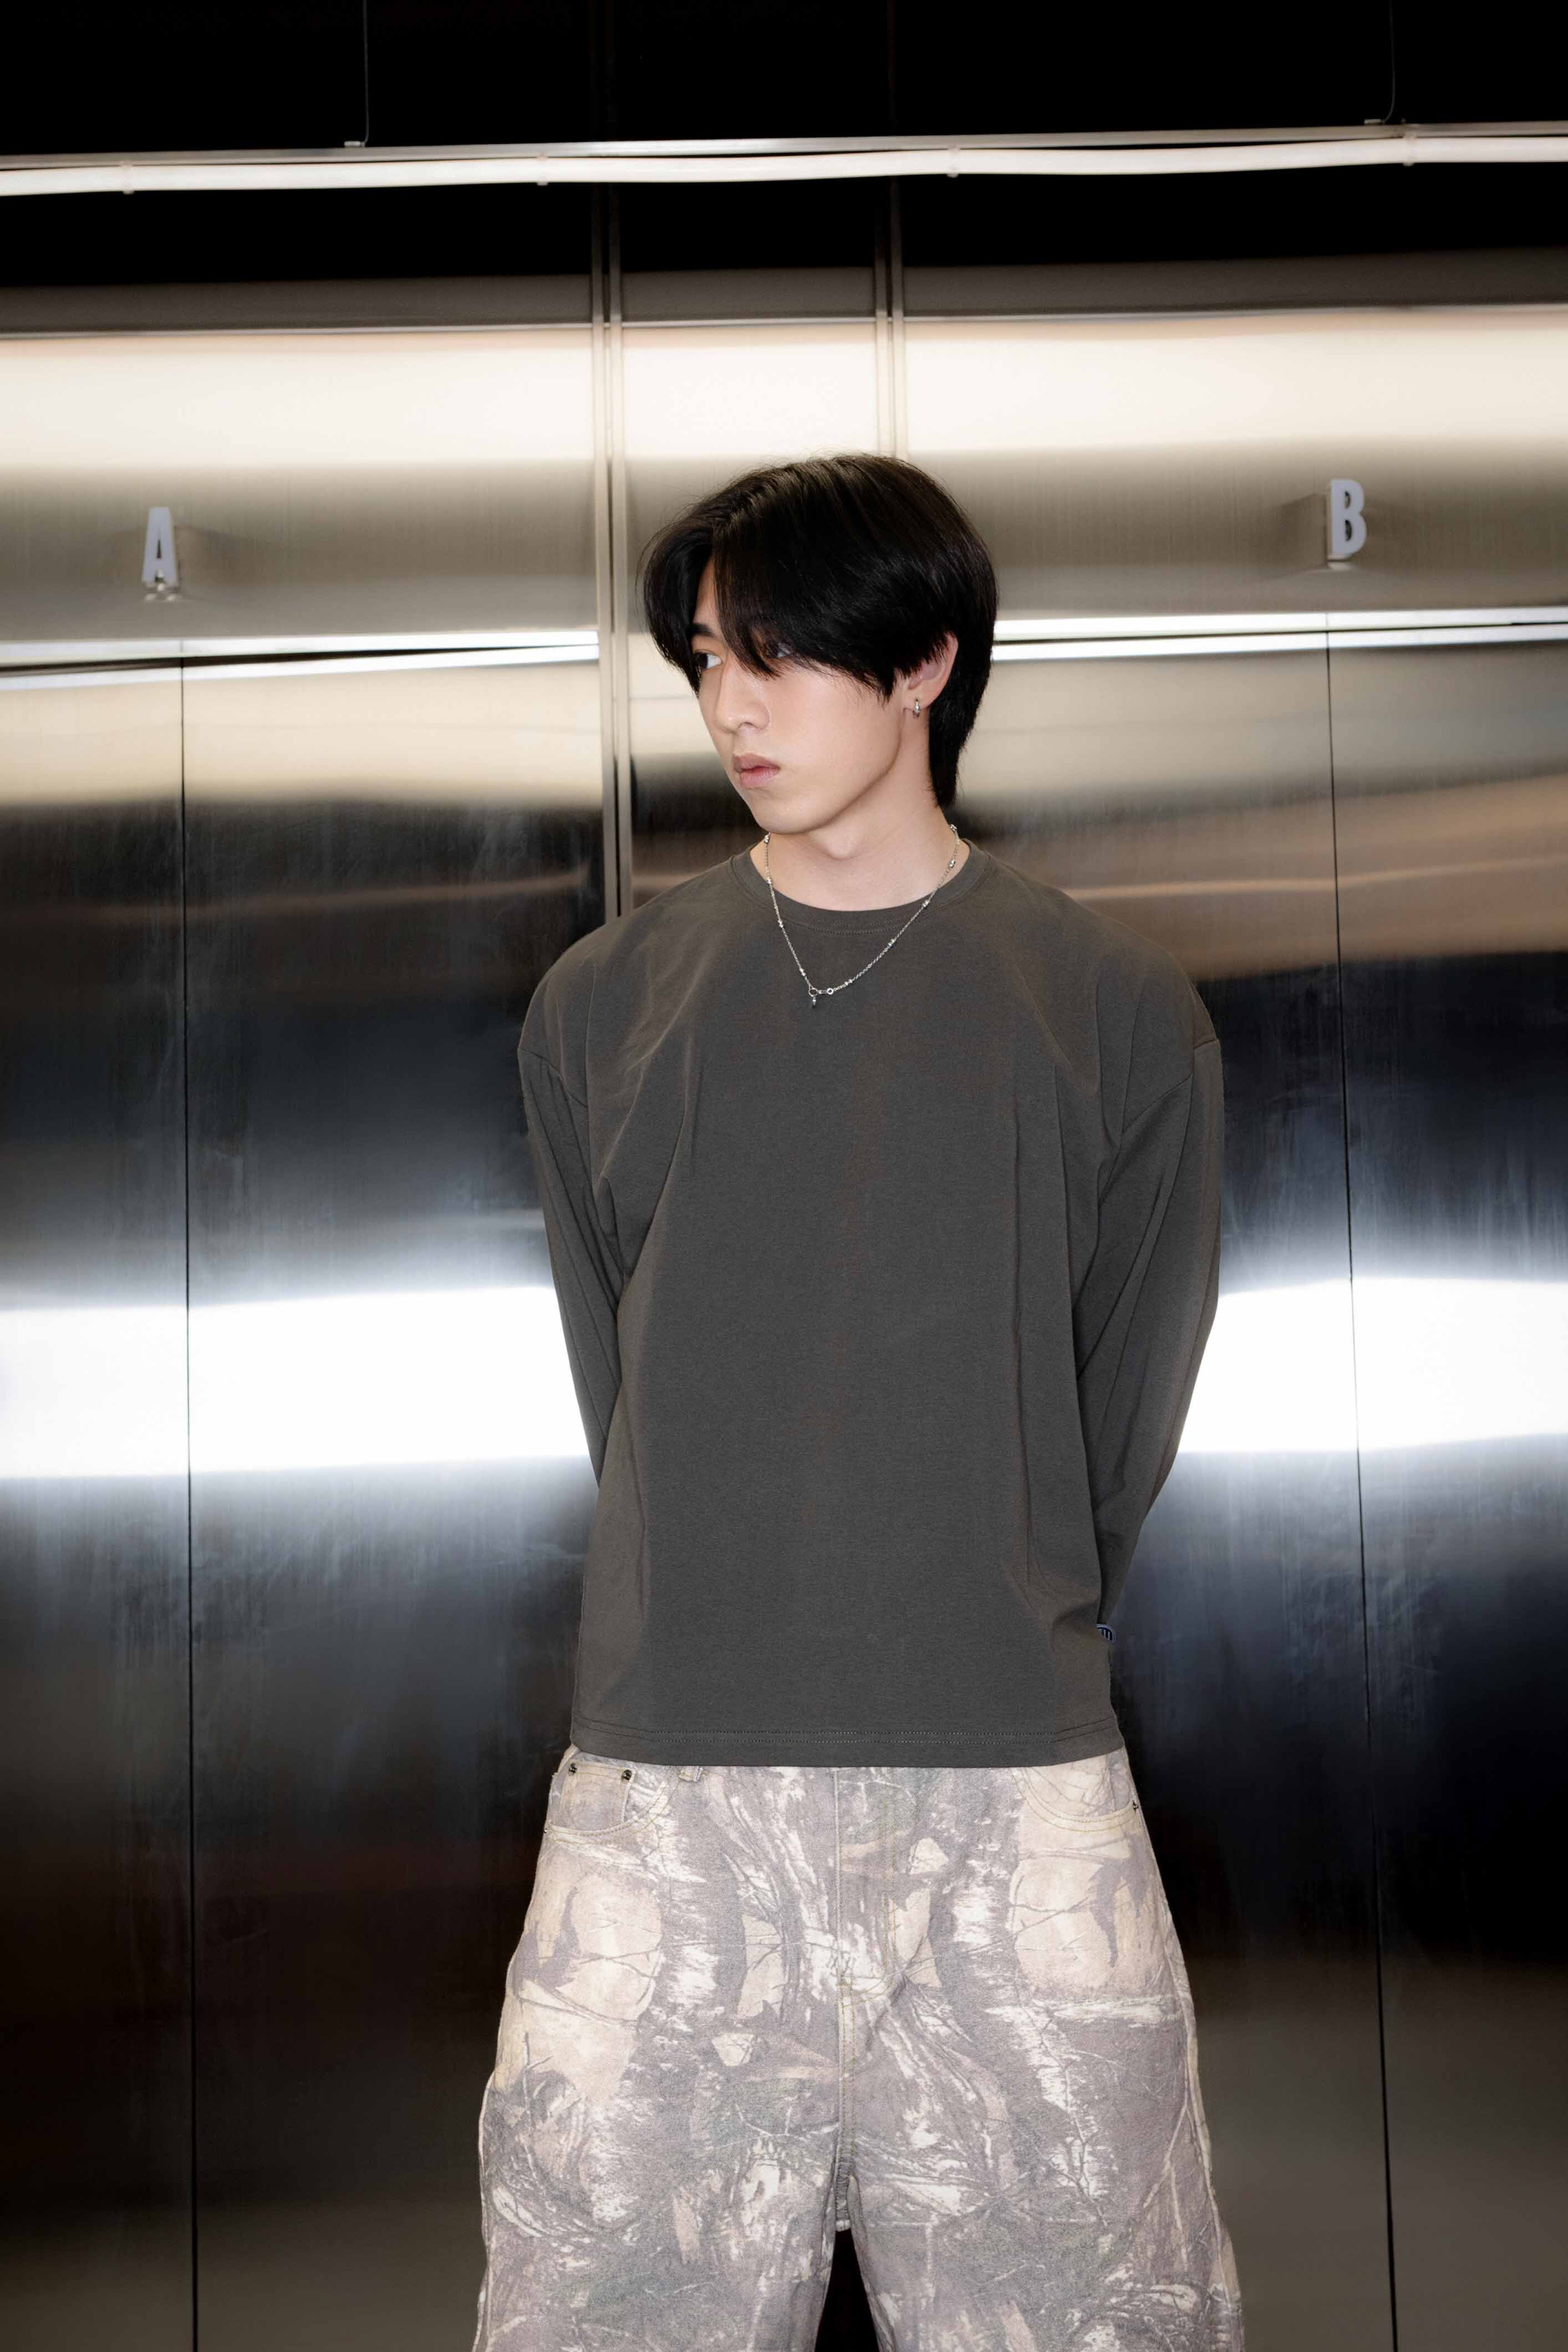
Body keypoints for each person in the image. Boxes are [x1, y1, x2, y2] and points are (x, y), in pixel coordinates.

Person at [472, 452, 1242, 2350]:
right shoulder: (602, 1002)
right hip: (667, 1797)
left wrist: (977, 1593)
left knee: (1092, 2319)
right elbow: (621, 1379)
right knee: (600, 2313)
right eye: (704, 660)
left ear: (922, 664)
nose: (730, 705)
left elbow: (1116, 1410)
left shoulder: (1109, 1006)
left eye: (777, 654)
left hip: (1013, 1794)